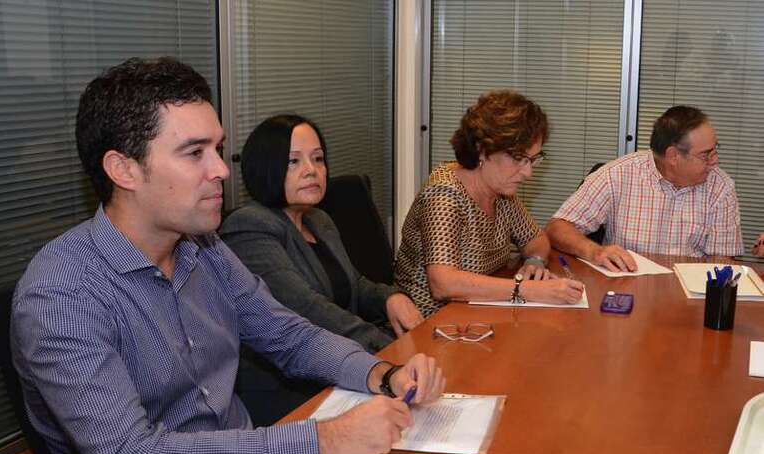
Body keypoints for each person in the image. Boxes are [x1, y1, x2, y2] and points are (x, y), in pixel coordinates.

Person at [10, 57, 444, 454]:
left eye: (217, 149)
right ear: (124, 169)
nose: (220, 169)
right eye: (194, 153)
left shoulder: (204, 247)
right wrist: (326, 440)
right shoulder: (60, 295)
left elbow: (288, 335)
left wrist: (383, 374)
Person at [220, 114, 422, 353]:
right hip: (295, 370)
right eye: (293, 161)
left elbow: (354, 285)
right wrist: (386, 347)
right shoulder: (250, 225)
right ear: (265, 167)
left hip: (345, 354)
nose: (311, 170)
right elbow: (307, 309)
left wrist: (390, 298)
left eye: (318, 158)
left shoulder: (318, 219)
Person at [394, 90, 584, 317]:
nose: (528, 172)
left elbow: (537, 240)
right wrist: (531, 290)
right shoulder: (444, 195)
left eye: (533, 160)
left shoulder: (501, 191)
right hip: (428, 322)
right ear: (482, 151)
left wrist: (534, 261)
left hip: (478, 313)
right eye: (519, 158)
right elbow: (443, 284)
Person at [546, 105, 743, 272]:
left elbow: (723, 261)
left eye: (715, 149)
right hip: (626, 285)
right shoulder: (617, 174)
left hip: (687, 293)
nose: (715, 161)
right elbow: (557, 227)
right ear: (673, 156)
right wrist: (595, 252)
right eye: (706, 155)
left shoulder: (720, 187)